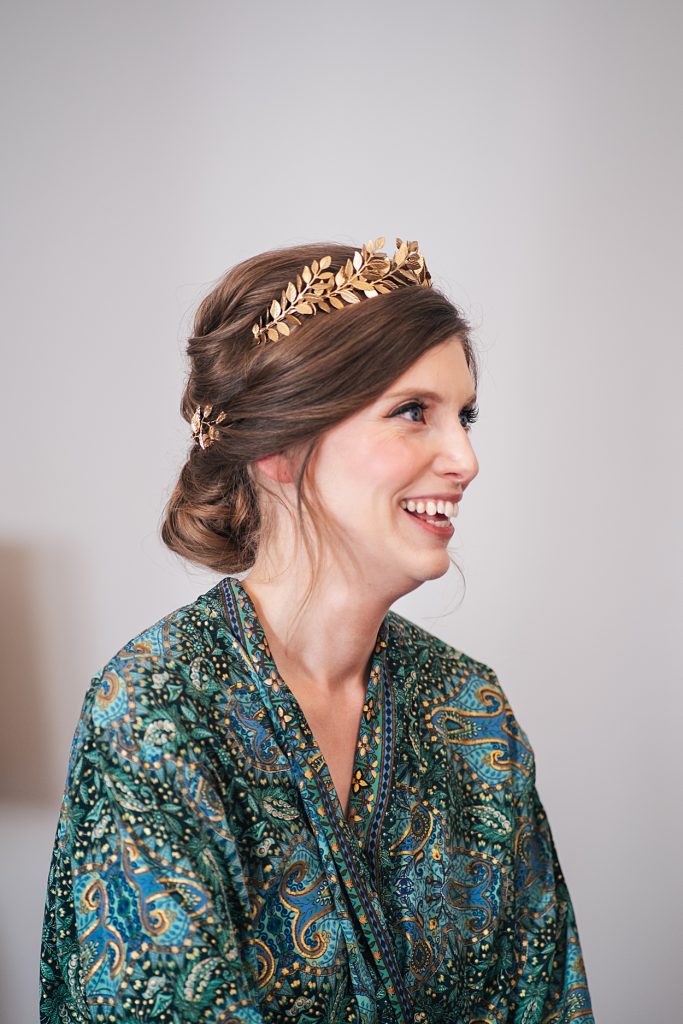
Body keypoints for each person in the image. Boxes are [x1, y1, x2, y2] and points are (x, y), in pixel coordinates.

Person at [40, 237, 594, 1023]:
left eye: (463, 416)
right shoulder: (156, 710)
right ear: (277, 446)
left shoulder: (470, 710)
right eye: (413, 413)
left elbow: (545, 997)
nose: (465, 459)